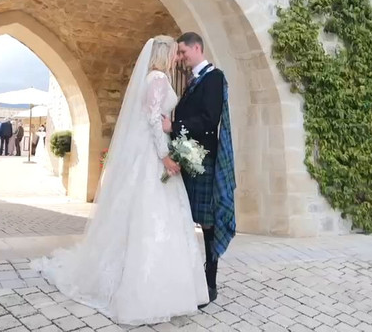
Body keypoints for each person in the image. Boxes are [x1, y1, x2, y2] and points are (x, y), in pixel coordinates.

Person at [33, 36, 208, 325]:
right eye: (174, 53)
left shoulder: (153, 78)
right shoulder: (158, 79)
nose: (178, 57)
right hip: (153, 155)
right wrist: (165, 155)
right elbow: (153, 120)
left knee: (143, 216)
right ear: (164, 54)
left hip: (148, 151)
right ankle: (147, 292)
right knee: (151, 215)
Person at [163, 31, 236, 307]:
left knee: (207, 221)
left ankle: (210, 281)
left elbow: (209, 119)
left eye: (183, 52)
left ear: (196, 48)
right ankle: (188, 277)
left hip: (204, 157)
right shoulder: (194, 80)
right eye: (179, 54)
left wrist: (174, 127)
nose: (180, 58)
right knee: (184, 213)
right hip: (188, 156)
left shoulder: (214, 77)